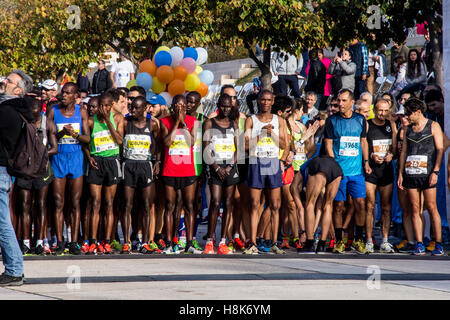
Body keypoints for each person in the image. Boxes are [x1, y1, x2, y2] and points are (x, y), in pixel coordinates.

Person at [324, 89, 371, 254]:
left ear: (352, 103)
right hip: (339, 172)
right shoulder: (332, 120)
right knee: (338, 206)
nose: (340, 104)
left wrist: (366, 162)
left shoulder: (360, 120)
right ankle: (339, 241)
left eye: (344, 101)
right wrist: (333, 166)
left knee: (360, 204)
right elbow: (328, 144)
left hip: (356, 171)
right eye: (339, 101)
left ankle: (358, 239)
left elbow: (363, 142)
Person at [243, 90, 289, 254]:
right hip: (256, 161)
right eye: (262, 99)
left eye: (268, 100)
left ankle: (274, 242)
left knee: (275, 204)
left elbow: (285, 145)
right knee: (255, 204)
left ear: (273, 101)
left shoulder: (280, 121)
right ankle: (252, 243)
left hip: (273, 162)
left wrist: (272, 134)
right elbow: (246, 146)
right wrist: (262, 134)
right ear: (258, 101)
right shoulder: (251, 120)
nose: (265, 102)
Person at [47, 82, 90, 255]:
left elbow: (87, 139)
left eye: (67, 93)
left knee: (75, 202)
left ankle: (73, 242)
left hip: (76, 159)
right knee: (58, 201)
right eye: (62, 92)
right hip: (58, 159)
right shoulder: (53, 111)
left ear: (75, 96)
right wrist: (61, 133)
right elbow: (50, 139)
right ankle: (59, 241)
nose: (63, 95)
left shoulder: (82, 111)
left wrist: (75, 135)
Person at [397, 98, 444, 256]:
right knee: (414, 208)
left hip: (428, 173)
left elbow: (440, 148)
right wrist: (400, 174)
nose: (406, 116)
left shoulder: (433, 126)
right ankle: (419, 243)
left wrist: (436, 171)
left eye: (408, 114)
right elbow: (403, 151)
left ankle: (438, 243)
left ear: (418, 112)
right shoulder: (408, 128)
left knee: (431, 208)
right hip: (411, 173)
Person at [0, 69, 34, 286]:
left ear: (18, 89)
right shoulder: (14, 111)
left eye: (9, 80)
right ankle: (14, 269)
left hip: (0, 170)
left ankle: (14, 269)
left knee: (2, 223)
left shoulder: (7, 112)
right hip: (3, 172)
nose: (3, 81)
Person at [160, 95, 202, 254]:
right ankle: (169, 242)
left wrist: (183, 123)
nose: (179, 109)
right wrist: (176, 122)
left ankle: (190, 243)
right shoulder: (165, 121)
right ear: (172, 107)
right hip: (170, 169)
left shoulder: (193, 122)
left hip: (187, 169)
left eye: (182, 106)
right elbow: (166, 143)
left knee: (189, 205)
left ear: (186, 108)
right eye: (176, 106)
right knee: (170, 206)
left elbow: (192, 142)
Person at [15, 97, 58, 256]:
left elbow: (54, 148)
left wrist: (39, 154)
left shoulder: (48, 124)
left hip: (42, 169)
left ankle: (40, 241)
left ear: (41, 111)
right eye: (30, 115)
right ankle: (26, 242)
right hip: (25, 169)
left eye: (35, 115)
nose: (33, 118)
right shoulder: (23, 123)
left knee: (41, 205)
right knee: (25, 206)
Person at [84, 92, 124, 254]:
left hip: (112, 162)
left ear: (112, 105)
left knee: (109, 204)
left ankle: (106, 240)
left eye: (107, 105)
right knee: (95, 203)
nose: (104, 108)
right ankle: (93, 241)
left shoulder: (118, 118)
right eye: (102, 105)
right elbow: (85, 141)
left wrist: (108, 120)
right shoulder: (90, 120)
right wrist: (89, 157)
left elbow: (119, 141)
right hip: (96, 162)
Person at [121, 96, 160, 254]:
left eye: (137, 108)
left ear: (145, 109)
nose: (133, 110)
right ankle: (126, 242)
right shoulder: (125, 123)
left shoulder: (153, 124)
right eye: (132, 108)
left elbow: (157, 145)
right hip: (129, 164)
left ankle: (145, 242)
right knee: (127, 205)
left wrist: (156, 160)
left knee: (145, 205)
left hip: (145, 165)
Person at [203, 94, 239, 254]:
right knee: (216, 202)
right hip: (215, 166)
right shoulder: (209, 123)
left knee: (229, 203)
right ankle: (210, 240)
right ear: (218, 105)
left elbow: (238, 149)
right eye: (223, 106)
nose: (226, 109)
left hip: (230, 167)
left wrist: (230, 166)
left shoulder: (234, 124)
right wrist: (217, 168)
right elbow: (205, 149)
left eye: (228, 106)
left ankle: (223, 241)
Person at [364, 99, 397, 253]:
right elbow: (363, 144)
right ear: (374, 109)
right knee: (370, 205)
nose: (383, 114)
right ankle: (369, 239)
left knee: (386, 207)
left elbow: (395, 148)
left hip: (386, 170)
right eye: (380, 110)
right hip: (371, 170)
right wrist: (371, 155)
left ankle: (385, 239)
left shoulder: (391, 125)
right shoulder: (367, 124)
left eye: (386, 111)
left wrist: (391, 154)